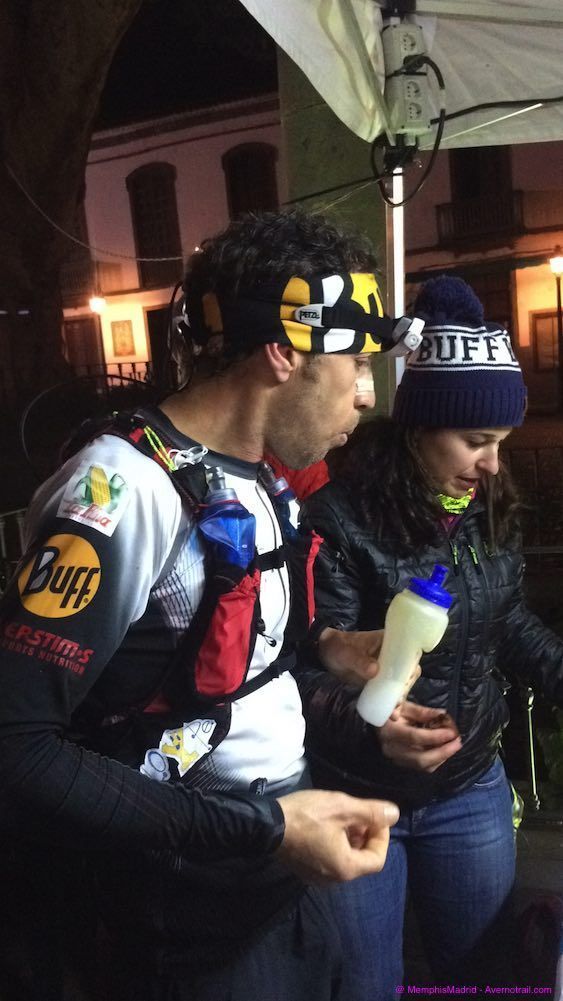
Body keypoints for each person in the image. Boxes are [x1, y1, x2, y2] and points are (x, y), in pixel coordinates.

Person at [0, 208, 418, 1001]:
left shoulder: (254, 474)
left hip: (277, 874)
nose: (367, 394)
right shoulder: (120, 491)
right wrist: (265, 827)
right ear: (283, 351)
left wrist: (329, 655)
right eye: (357, 361)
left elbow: (214, 663)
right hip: (180, 916)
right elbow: (17, 744)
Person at [299, 275, 563, 998]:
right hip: (355, 795)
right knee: (364, 983)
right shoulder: (337, 519)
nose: (492, 463)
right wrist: (370, 729)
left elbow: (507, 619)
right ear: (419, 427)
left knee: (479, 973)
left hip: (469, 788)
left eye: (500, 442)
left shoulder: (487, 506)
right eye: (475, 441)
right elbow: (306, 668)